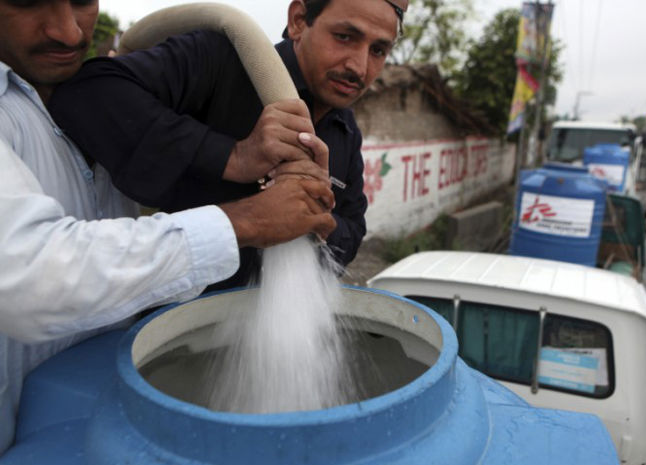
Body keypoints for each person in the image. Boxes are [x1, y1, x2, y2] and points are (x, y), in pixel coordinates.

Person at [0, 0, 336, 454]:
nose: (69, 33)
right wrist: (245, 217)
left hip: (86, 420)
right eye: (26, 1)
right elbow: (28, 275)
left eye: (82, 2)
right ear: (298, 21)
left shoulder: (69, 95)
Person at [49, 0, 409, 287]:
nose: (359, 67)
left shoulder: (344, 128)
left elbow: (353, 228)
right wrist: (234, 156)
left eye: (378, 50)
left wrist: (321, 221)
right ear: (299, 19)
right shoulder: (221, 61)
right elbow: (88, 94)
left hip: (268, 334)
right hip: (169, 328)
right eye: (345, 36)